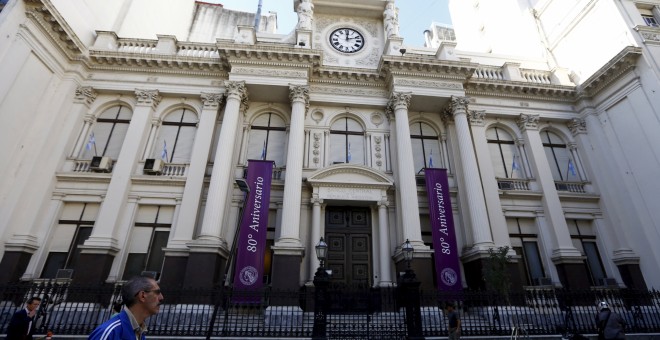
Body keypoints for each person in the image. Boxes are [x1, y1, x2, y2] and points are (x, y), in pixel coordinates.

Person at [88, 276, 164, 340]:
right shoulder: (110, 332)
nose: (161, 297)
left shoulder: (139, 332)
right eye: (157, 292)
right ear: (142, 296)